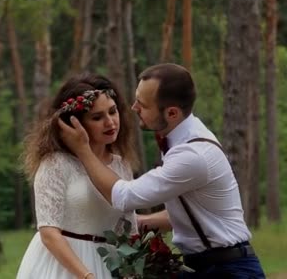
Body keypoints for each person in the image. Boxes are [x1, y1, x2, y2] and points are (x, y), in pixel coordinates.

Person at [58, 63, 265, 278]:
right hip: (206, 265)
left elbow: (124, 196)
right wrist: (135, 224)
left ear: (172, 113)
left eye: (143, 104)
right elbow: (189, 212)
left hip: (228, 271)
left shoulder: (192, 155)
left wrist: (82, 149)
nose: (133, 107)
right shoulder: (182, 137)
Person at [16, 73, 139, 279]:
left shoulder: (122, 165)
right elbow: (48, 233)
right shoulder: (56, 164)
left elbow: (128, 229)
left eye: (113, 111)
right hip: (64, 267)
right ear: (75, 123)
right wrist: (87, 276)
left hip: (110, 265)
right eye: (97, 117)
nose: (110, 122)